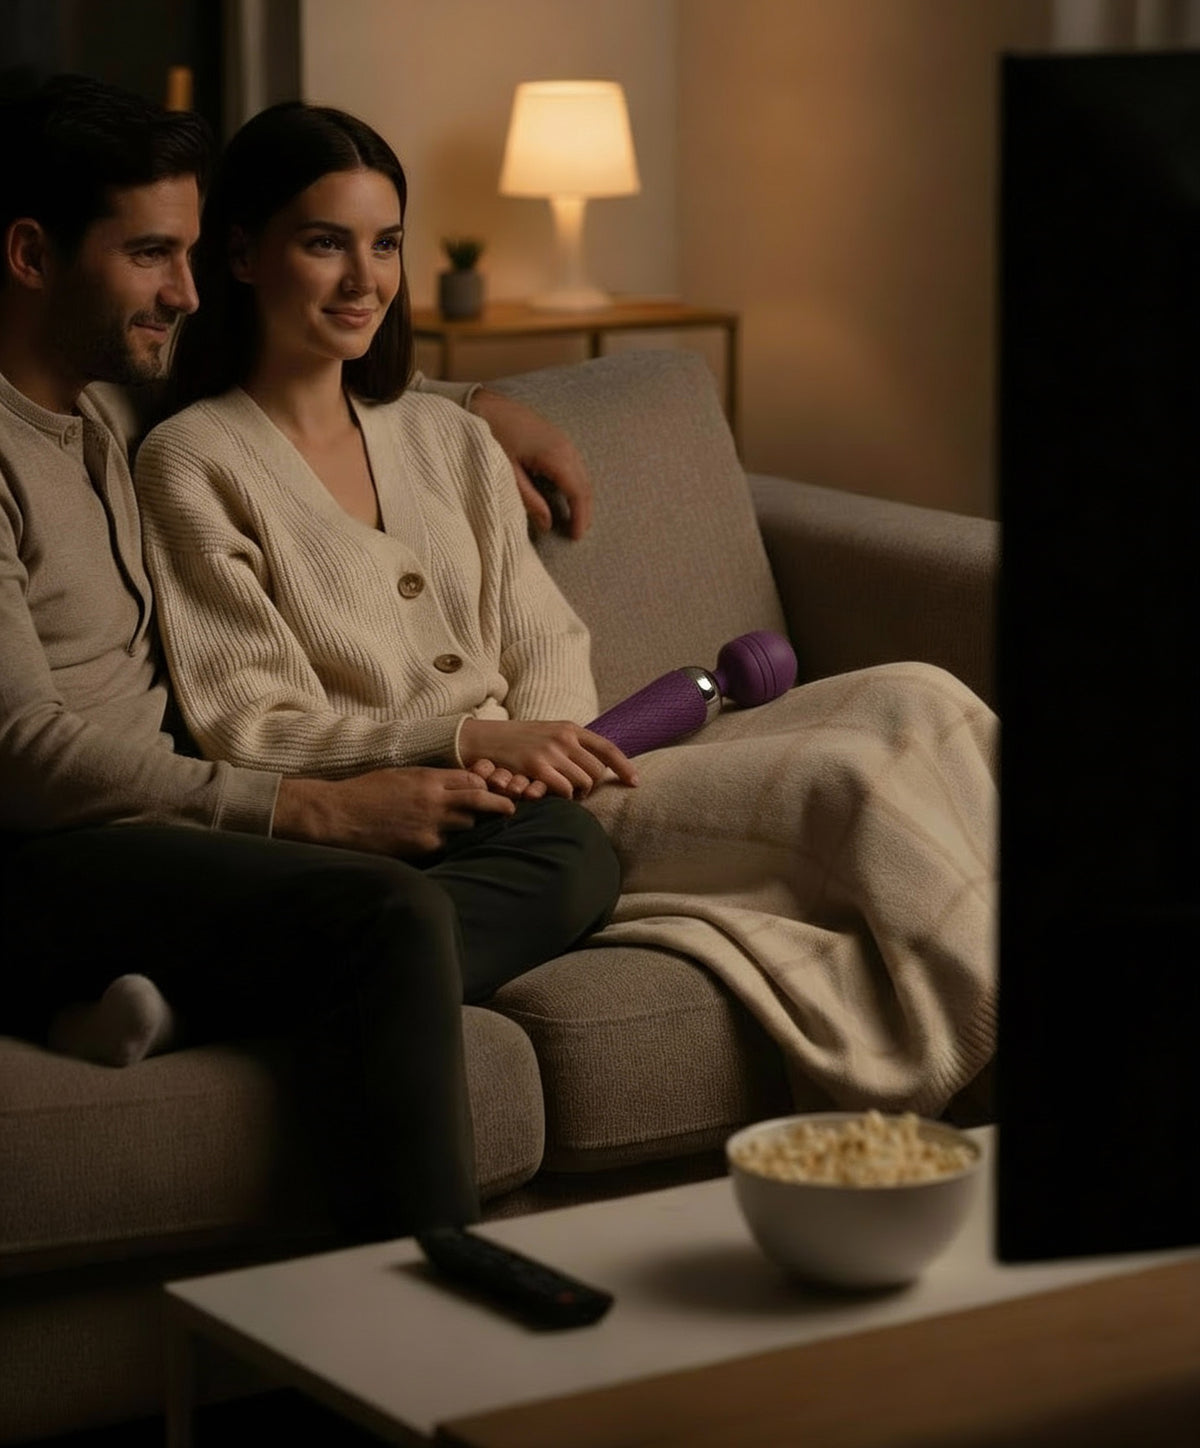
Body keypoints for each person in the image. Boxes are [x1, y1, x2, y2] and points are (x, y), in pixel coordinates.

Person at [137, 100, 999, 1123]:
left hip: (566, 775)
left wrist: (555, 742)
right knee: (852, 773)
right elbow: (248, 720)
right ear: (242, 253)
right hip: (435, 818)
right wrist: (469, 737)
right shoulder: (192, 460)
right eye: (326, 244)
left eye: (385, 244)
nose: (366, 279)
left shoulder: (445, 438)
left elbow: (544, 633)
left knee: (921, 694)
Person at [0, 74, 621, 1244]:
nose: (185, 293)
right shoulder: (59, 445)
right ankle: (434, 1293)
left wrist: (486, 397)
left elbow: (333, 392)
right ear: (32, 255)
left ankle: (187, 1002)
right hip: (55, 860)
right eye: (151, 257)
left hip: (173, 852)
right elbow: (22, 754)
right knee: (386, 916)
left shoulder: (97, 411)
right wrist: (303, 810)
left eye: (189, 256)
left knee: (566, 850)